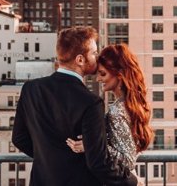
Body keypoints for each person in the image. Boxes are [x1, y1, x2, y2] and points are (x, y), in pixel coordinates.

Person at [12, 26, 138, 186]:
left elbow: (19, 138)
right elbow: (98, 161)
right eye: (94, 53)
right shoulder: (91, 102)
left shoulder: (31, 89)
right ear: (80, 60)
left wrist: (48, 158)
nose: (97, 57)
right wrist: (132, 181)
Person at [64, 43, 151, 182]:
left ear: (120, 74)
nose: (98, 79)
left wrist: (92, 146)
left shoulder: (117, 111)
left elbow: (128, 161)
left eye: (103, 73)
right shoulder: (128, 105)